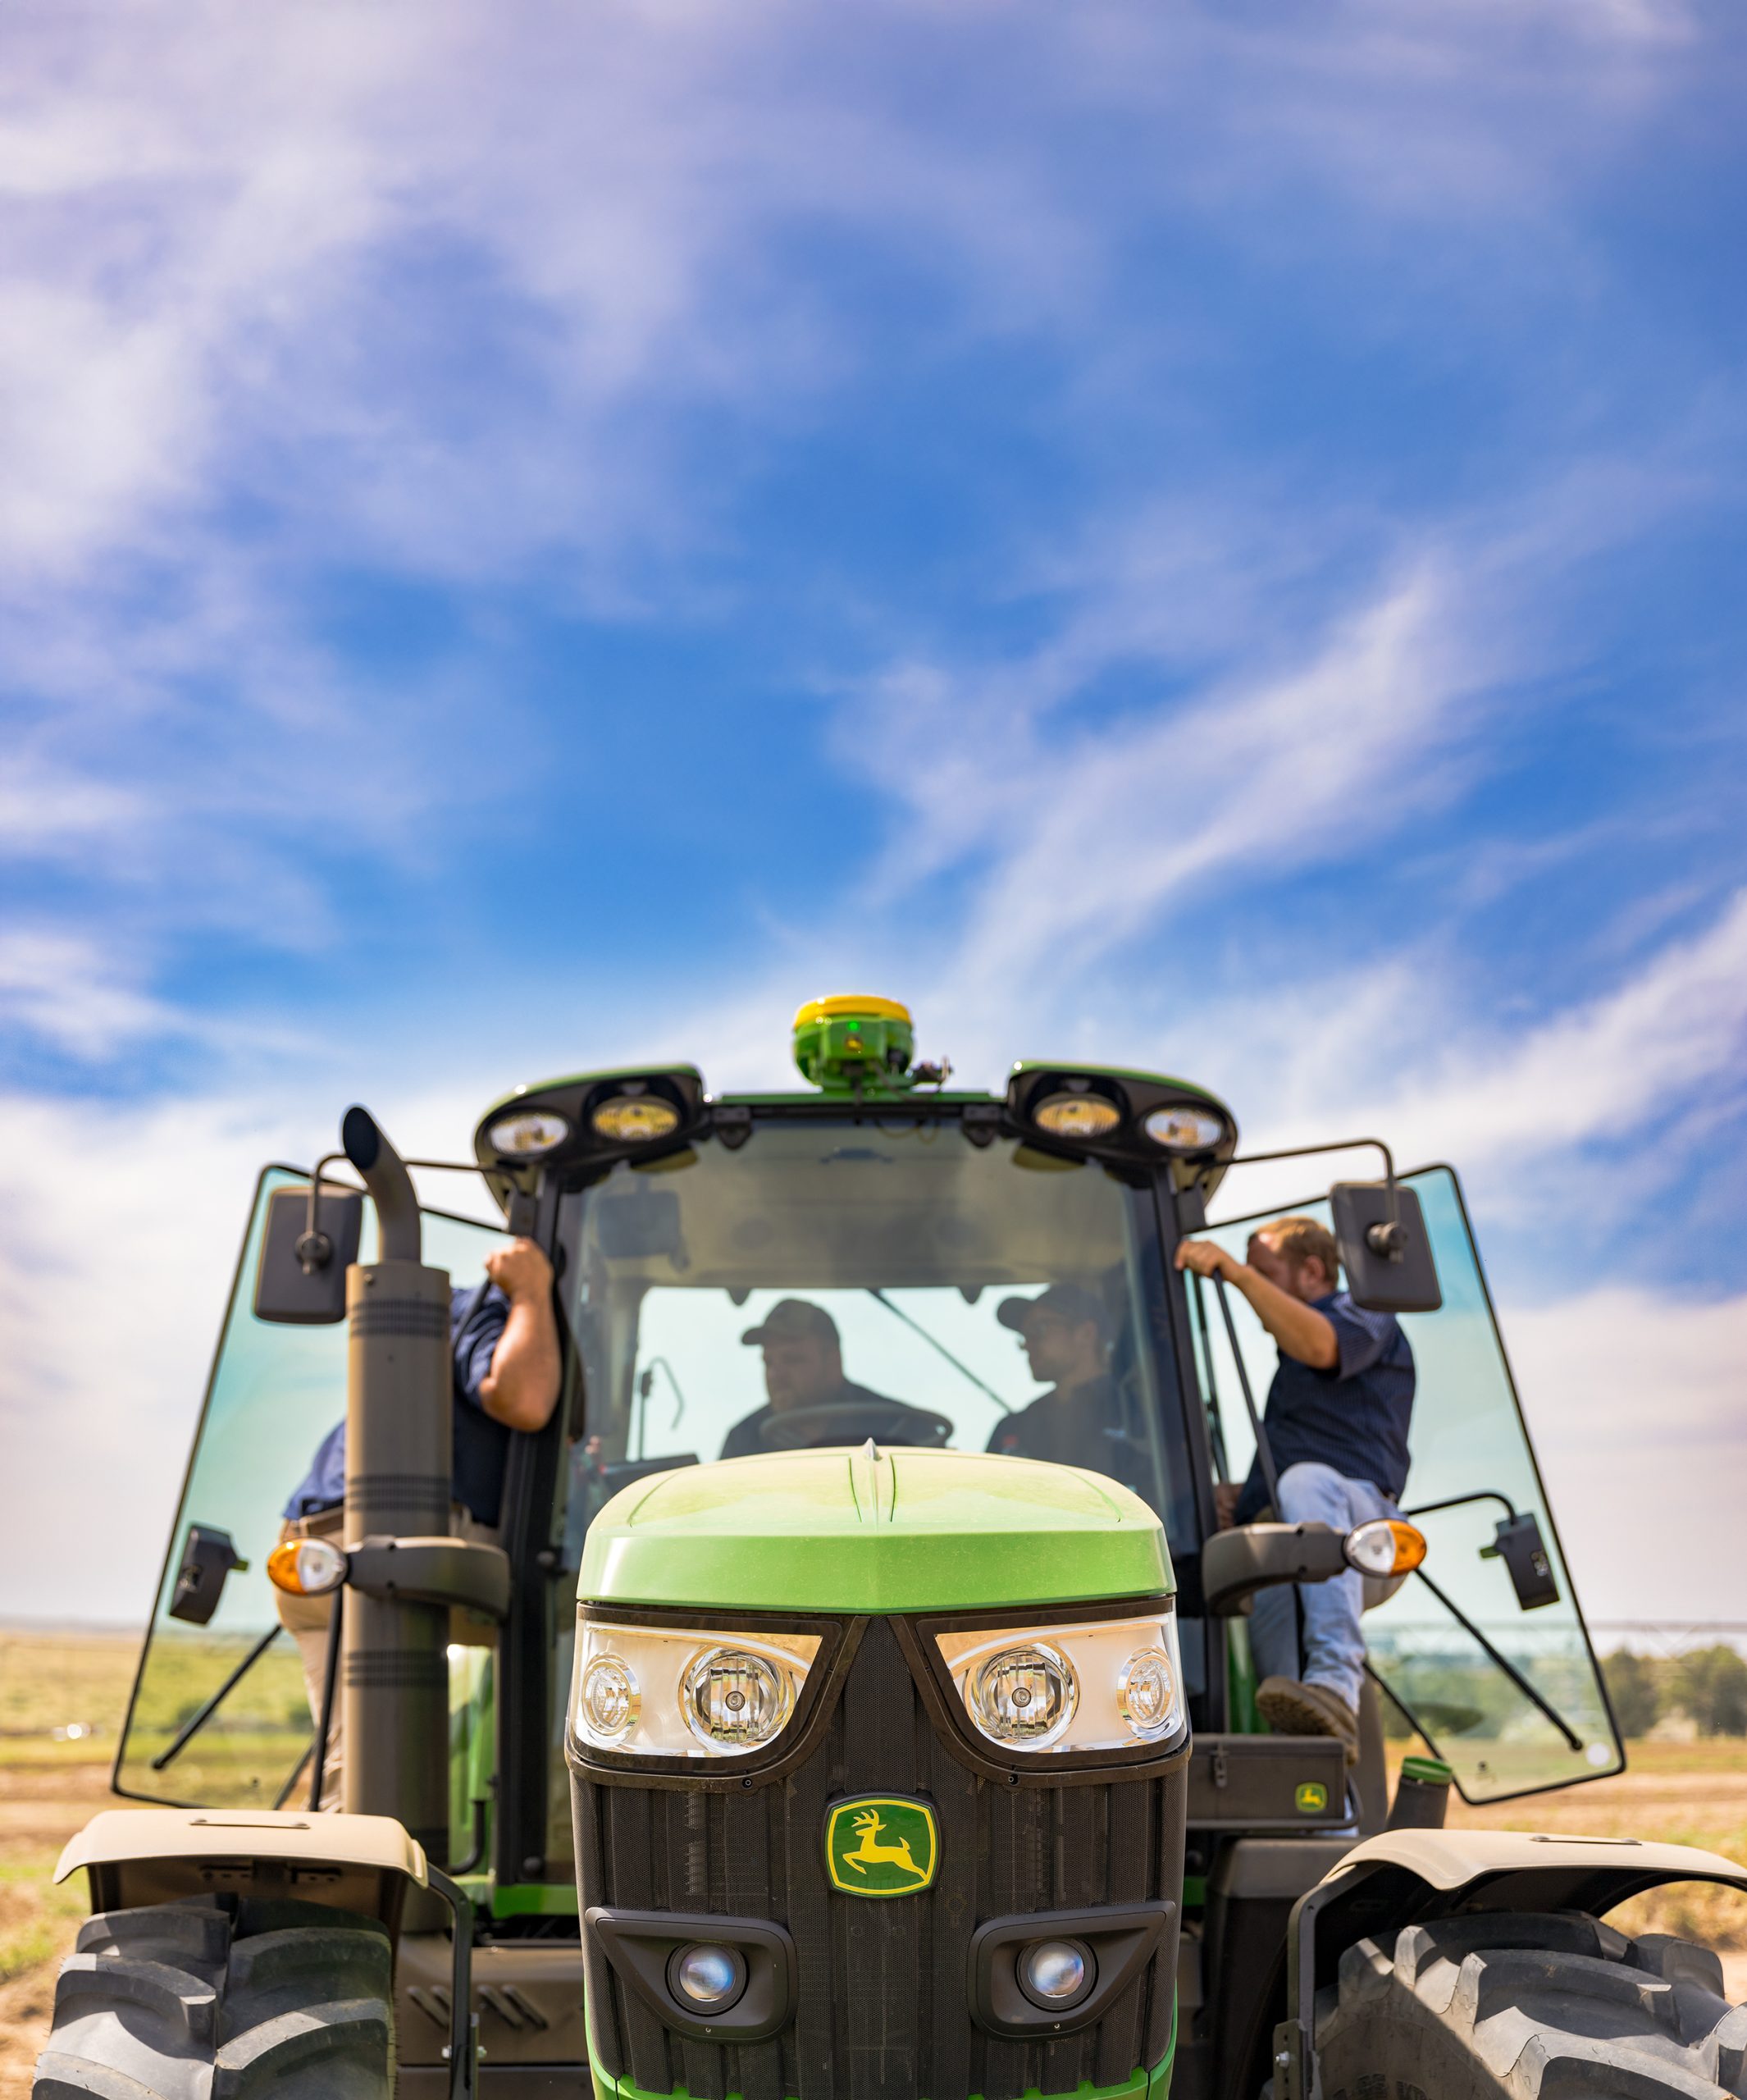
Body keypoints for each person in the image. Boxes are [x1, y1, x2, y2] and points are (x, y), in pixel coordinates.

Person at [276, 1239, 563, 1801]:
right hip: (379, 1553)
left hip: (315, 1557)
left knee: (356, 1781)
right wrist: (531, 1291)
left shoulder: (446, 1333)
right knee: (593, 1610)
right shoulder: (485, 1308)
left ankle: (370, 1871)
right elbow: (525, 1398)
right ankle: (568, 1832)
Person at [1175, 1217, 1414, 1761]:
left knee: (1305, 1481)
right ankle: (1317, 1785)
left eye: (1267, 1272)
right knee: (1288, 1706)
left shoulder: (1366, 1314)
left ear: (1310, 1270)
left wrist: (1235, 1273)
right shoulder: (1291, 1383)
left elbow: (1321, 1345)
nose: (1253, 1283)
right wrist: (1242, 1497)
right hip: (1293, 1552)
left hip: (1359, 1535)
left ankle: (1336, 1682)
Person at [720, 1299, 944, 1456]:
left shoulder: (902, 1429)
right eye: (769, 1362)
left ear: (833, 1361)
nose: (776, 1375)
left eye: (793, 1360)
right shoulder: (745, 1441)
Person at [986, 1285, 1124, 1472]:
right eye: (1024, 1335)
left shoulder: (1142, 1416)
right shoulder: (1013, 1428)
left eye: (1038, 1329)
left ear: (1086, 1334)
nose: (1026, 1345)